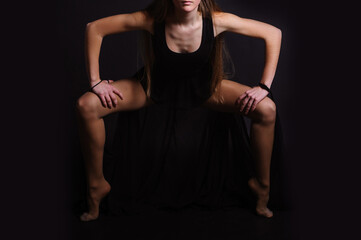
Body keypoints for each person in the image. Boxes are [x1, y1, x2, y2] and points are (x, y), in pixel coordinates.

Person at [76, 0, 282, 221]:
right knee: (86, 105)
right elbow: (94, 28)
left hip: (205, 90)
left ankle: (262, 186)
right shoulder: (151, 19)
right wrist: (95, 81)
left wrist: (264, 87)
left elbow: (273, 33)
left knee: (267, 109)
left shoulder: (216, 21)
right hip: (154, 89)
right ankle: (97, 186)